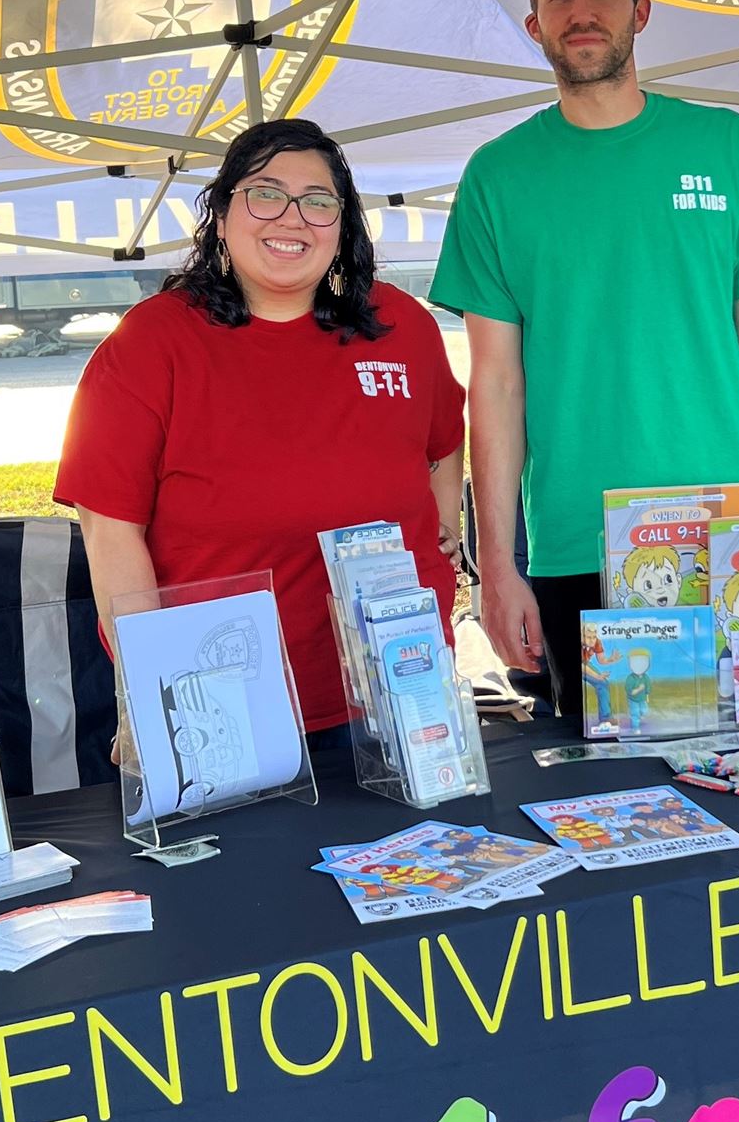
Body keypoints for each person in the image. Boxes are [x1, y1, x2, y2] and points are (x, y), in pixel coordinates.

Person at [429, 0, 739, 714]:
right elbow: (496, 386)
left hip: (733, 540)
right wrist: (498, 566)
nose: (583, 10)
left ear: (640, 12)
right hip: (581, 542)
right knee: (613, 809)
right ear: (534, 24)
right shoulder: (498, 177)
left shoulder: (724, 146)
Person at [54, 117, 464, 736]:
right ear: (222, 215)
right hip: (224, 708)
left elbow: (442, 442)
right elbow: (110, 535)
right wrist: (149, 688)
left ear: (343, 225)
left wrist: (444, 533)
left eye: (318, 201)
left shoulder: (404, 324)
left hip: (400, 690)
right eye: (265, 193)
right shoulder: (150, 343)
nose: (291, 217)